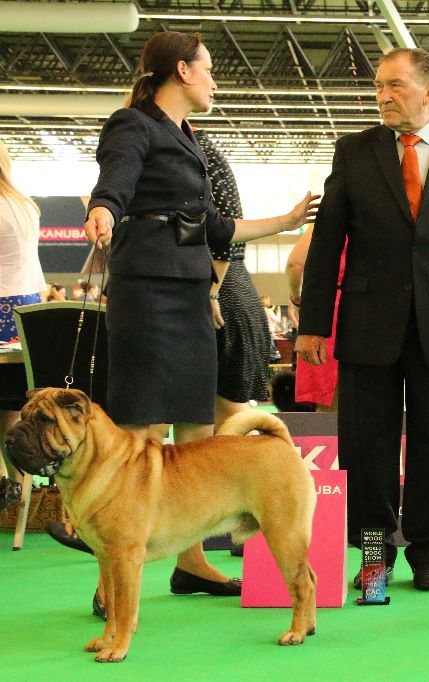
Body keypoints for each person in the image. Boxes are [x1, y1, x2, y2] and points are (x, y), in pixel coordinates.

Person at [82, 31, 318, 617]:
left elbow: (217, 227)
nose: (215, 80)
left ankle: (189, 561)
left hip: (190, 292)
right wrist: (104, 208)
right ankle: (115, 570)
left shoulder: (187, 139)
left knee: (194, 432)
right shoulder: (132, 125)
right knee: (141, 436)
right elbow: (117, 177)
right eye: (209, 70)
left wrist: (286, 221)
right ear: (183, 71)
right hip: (146, 290)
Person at [295, 47, 429, 592]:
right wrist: (313, 323)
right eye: (378, 88)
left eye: (395, 86)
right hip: (368, 325)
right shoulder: (353, 152)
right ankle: (374, 555)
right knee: (365, 447)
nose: (383, 97)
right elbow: (326, 245)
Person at [194, 130, 273, 428]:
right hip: (226, 288)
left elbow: (228, 229)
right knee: (220, 415)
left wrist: (212, 291)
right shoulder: (192, 148)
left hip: (221, 293)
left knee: (228, 416)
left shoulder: (198, 149)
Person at [0, 138, 47, 494]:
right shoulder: (24, 204)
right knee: (14, 405)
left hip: (1, 307)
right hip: (27, 308)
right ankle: (18, 488)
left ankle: (11, 487)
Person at [286, 224, 346, 411]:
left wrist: (295, 298)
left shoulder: (324, 221)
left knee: (328, 404)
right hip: (373, 311)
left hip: (327, 313)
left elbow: (294, 264)